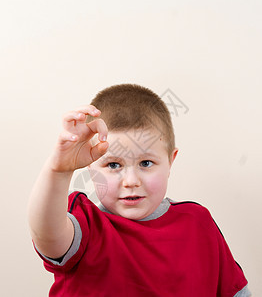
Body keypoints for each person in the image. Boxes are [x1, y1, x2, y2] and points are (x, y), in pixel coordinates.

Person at [28, 84, 251, 296]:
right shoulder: (84, 226)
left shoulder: (198, 223)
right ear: (90, 166)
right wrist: (58, 171)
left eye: (145, 163)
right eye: (113, 165)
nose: (131, 181)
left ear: (170, 162)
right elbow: (46, 234)